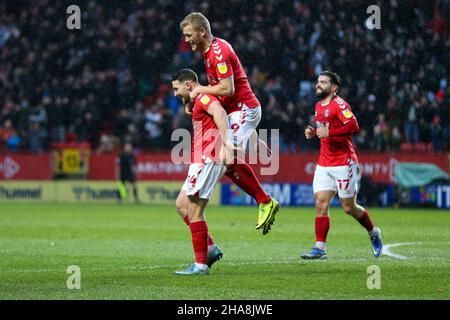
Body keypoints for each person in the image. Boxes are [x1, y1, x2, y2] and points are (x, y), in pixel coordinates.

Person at [179, 12, 279, 235]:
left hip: (244, 109)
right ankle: (264, 200)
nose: (186, 40)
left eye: (188, 35)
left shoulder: (218, 53)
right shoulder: (209, 52)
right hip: (236, 111)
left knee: (224, 156)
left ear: (202, 31)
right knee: (223, 158)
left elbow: (228, 89)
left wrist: (199, 90)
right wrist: (196, 101)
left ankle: (265, 201)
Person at [301, 71, 383, 259]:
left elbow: (353, 126)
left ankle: (373, 232)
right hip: (324, 163)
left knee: (348, 207)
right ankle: (320, 248)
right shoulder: (317, 106)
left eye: (323, 82)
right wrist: (314, 132)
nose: (318, 85)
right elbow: (326, 130)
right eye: (318, 82)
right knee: (321, 203)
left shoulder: (340, 105)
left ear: (334, 87)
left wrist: (329, 133)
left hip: (343, 162)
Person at [171, 69, 231, 275]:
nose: (175, 93)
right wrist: (192, 104)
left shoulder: (204, 96)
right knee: (181, 205)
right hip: (201, 158)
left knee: (195, 210)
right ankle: (211, 248)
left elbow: (220, 113)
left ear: (188, 85)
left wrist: (227, 144)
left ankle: (201, 265)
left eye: (176, 88)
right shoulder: (198, 99)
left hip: (209, 156)